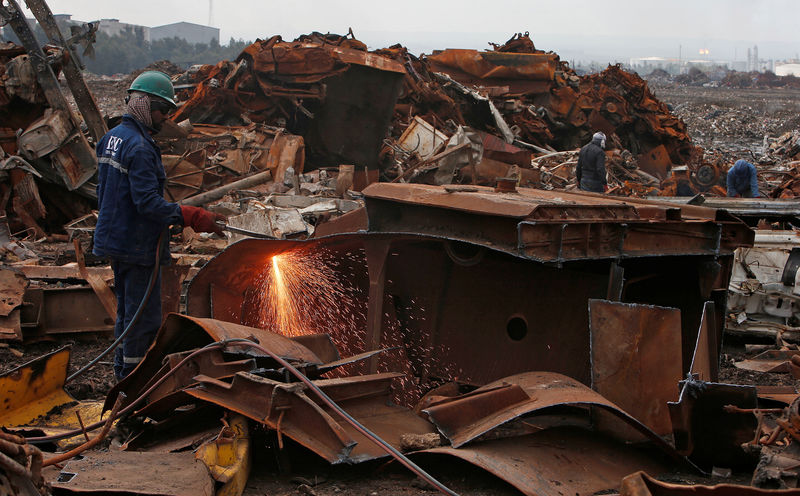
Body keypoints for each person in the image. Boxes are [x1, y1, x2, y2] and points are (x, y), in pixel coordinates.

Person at [93, 70, 225, 380]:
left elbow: (112, 194)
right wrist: (192, 216)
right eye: (163, 110)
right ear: (144, 105)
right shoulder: (139, 147)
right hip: (137, 246)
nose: (166, 117)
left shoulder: (111, 138)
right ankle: (133, 386)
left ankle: (121, 377)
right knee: (143, 321)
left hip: (117, 240)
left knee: (127, 314)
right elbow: (147, 204)